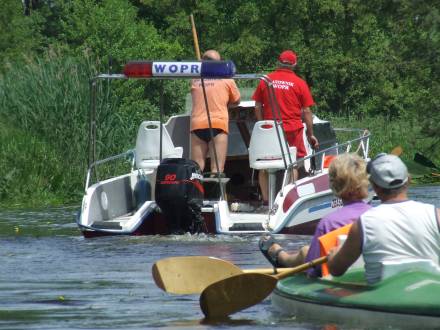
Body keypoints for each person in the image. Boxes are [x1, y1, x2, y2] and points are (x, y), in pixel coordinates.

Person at [327, 153, 440, 285]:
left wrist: (332, 256)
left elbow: (336, 269)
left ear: (374, 186)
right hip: (429, 296)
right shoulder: (436, 216)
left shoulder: (362, 224)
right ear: (408, 180)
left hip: (381, 301)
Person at [259, 153, 371, 276]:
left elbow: (313, 269)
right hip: (367, 271)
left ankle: (281, 257)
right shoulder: (375, 215)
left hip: (332, 276)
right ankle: (282, 255)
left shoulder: (328, 223)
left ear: (334, 185)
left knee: (304, 253)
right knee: (305, 251)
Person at [252, 50, 319, 205]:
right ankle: (286, 201)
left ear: (278, 62)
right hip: (292, 129)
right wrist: (311, 134)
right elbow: (307, 111)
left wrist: (264, 124)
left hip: (271, 130)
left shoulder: (266, 80)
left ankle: (266, 200)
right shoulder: (300, 83)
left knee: (264, 165)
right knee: (292, 164)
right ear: (294, 65)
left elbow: (257, 106)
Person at [190, 49, 241, 175]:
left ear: (202, 61)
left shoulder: (195, 79)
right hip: (218, 124)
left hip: (197, 124)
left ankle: (196, 193)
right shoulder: (227, 79)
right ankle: (216, 194)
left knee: (197, 168)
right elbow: (237, 100)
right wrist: (225, 105)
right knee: (217, 170)